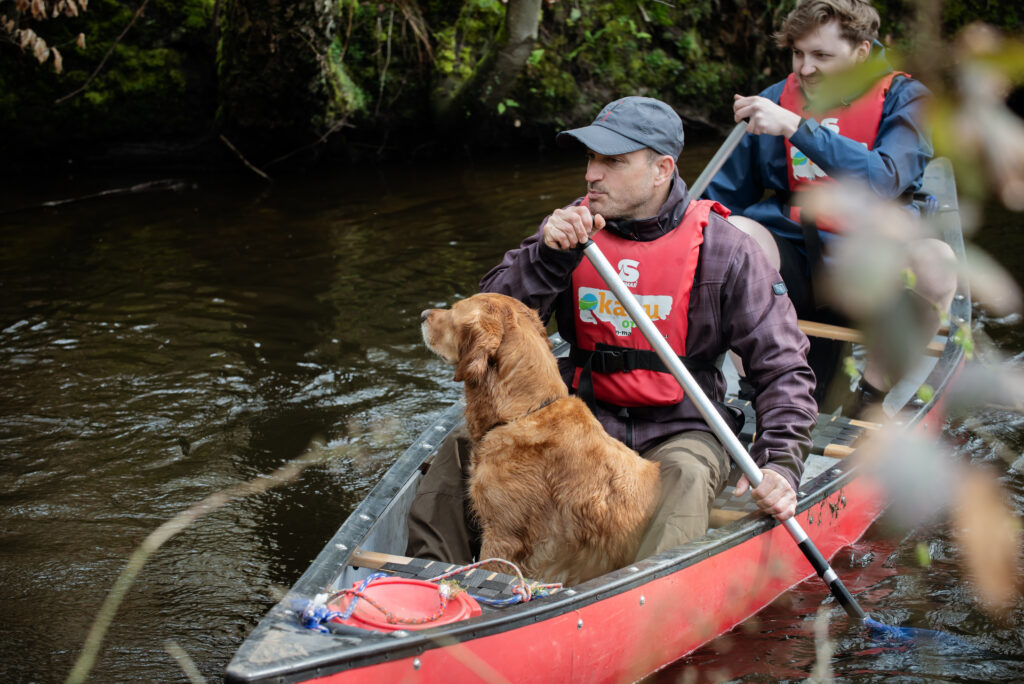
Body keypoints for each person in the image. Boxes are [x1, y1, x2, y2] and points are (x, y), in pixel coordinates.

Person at [406, 96, 818, 563]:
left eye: (613, 161)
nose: (591, 174)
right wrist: (548, 256)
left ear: (662, 169)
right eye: (591, 158)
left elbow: (783, 368)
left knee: (685, 474)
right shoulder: (568, 232)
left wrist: (781, 461)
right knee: (463, 446)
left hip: (679, 429)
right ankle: (423, 585)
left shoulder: (728, 251)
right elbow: (492, 317)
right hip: (580, 414)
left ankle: (645, 609)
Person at [704, 0, 958, 410]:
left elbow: (884, 180)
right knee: (726, 233)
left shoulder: (907, 100)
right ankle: (756, 390)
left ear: (860, 53)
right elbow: (717, 199)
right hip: (796, 273)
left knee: (938, 261)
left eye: (822, 55)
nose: (805, 69)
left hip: (877, 273)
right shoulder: (775, 99)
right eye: (798, 54)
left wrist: (795, 126)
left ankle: (870, 398)